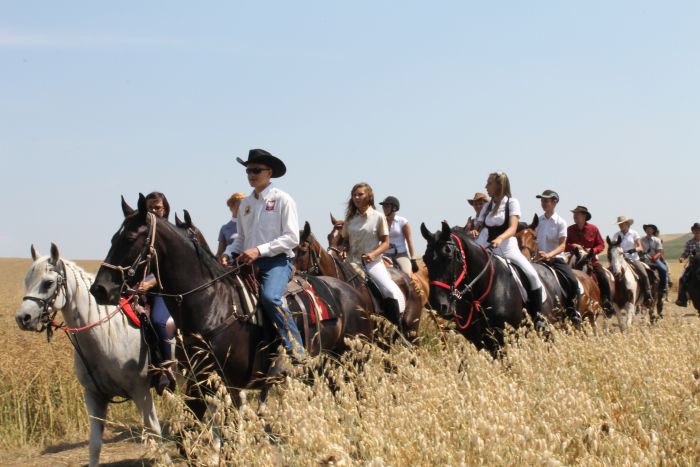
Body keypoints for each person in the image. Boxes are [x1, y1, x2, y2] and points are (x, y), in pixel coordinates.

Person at [221, 149, 304, 364]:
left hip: (277, 262)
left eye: (256, 170)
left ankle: (297, 353)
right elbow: (240, 239)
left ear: (269, 173)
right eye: (248, 170)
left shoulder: (283, 199)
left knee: (270, 298)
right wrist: (228, 253)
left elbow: (292, 237)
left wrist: (259, 250)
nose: (251, 174)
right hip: (247, 264)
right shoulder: (246, 204)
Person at [469, 172, 547, 331]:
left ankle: (538, 317)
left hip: (506, 246)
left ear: (499, 185)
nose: (486, 187)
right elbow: (480, 225)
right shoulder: (487, 206)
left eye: (489, 183)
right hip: (486, 246)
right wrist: (474, 232)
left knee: (532, 275)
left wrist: (500, 238)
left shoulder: (512, 202)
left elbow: (512, 228)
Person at [341, 183, 405, 326]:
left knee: (388, 290)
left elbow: (385, 243)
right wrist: (344, 249)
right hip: (351, 263)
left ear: (369, 196)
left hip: (372, 263)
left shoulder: (378, 217)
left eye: (360, 194)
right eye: (354, 195)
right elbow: (345, 240)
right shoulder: (350, 219)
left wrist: (373, 254)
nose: (356, 197)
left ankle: (397, 327)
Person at [138, 191, 177, 394]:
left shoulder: (172, 233)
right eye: (149, 208)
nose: (153, 211)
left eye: (158, 207)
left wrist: (150, 283)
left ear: (165, 209)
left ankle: (167, 369)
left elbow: (174, 266)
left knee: (159, 321)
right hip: (140, 290)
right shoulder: (141, 233)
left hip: (165, 291)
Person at [534, 190, 581, 325]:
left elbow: (562, 246)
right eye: (542, 200)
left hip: (556, 260)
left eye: (546, 200)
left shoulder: (561, 222)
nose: (543, 203)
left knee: (573, 282)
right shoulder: (539, 221)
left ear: (554, 202)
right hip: (538, 260)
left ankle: (574, 312)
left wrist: (549, 255)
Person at [565, 205, 614, 315]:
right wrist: (573, 246)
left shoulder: (593, 229)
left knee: (603, 276)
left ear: (584, 216)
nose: (574, 216)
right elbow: (563, 245)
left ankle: (607, 303)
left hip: (590, 260)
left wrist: (592, 250)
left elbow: (601, 245)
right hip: (574, 260)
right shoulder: (569, 229)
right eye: (574, 214)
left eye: (577, 214)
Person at [612, 215, 653, 305]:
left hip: (633, 259)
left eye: (622, 224)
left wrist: (634, 250)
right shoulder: (616, 235)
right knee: (610, 274)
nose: (620, 226)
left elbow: (640, 247)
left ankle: (647, 295)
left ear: (627, 224)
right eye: (619, 224)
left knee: (644, 275)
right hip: (620, 260)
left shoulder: (634, 233)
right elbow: (614, 247)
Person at [379, 195, 419, 275]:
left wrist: (413, 259)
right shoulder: (380, 221)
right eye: (383, 206)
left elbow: (409, 241)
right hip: (384, 255)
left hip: (400, 255)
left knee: (407, 273)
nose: (384, 208)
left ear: (394, 208)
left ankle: (415, 286)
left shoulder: (402, 222)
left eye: (386, 206)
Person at [640, 223, 668, 300]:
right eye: (647, 229)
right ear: (645, 230)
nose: (648, 230)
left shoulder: (657, 240)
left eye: (650, 229)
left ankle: (663, 288)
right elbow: (639, 249)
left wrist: (654, 257)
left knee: (664, 269)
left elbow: (660, 251)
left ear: (653, 231)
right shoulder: (641, 240)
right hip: (643, 259)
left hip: (654, 259)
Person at [675, 222, 700, 307]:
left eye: (699, 230)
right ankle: (682, 299)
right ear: (693, 231)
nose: (697, 232)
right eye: (695, 230)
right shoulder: (689, 242)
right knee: (682, 279)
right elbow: (686, 253)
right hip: (693, 265)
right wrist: (682, 258)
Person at [216, 192, 246, 261]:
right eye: (240, 204)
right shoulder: (225, 228)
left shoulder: (250, 224)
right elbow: (220, 253)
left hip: (249, 263)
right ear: (232, 206)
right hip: (230, 265)